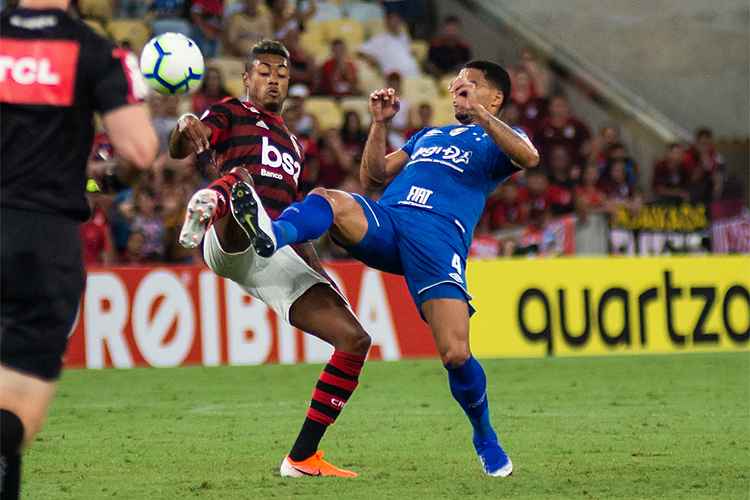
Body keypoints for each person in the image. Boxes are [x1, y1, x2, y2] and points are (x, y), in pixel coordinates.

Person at [237, 59, 540, 476]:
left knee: (455, 353)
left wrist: (483, 116)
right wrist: (379, 124)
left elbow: (529, 157)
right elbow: (373, 176)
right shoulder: (429, 135)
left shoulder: (496, 139)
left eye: (467, 85)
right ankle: (272, 234)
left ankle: (484, 435)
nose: (456, 92)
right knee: (330, 198)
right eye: (454, 86)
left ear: (495, 96)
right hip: (390, 220)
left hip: (438, 240)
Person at [169, 40, 371, 478]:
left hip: (272, 251)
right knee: (242, 183)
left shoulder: (294, 146)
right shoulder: (228, 112)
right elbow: (180, 149)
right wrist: (185, 124)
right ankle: (209, 204)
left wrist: (321, 275)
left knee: (355, 340)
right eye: (264, 71)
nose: (273, 78)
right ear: (247, 78)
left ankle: (301, 458)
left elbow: (295, 221)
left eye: (281, 72)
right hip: (228, 241)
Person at [0, 1, 158, 497]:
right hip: (41, 245)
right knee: (11, 419)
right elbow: (138, 152)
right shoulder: (97, 53)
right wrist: (106, 176)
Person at [357, 11, 419, 77]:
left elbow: (407, 52)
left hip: (414, 74)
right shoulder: (380, 39)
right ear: (387, 24)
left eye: (397, 21)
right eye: (393, 21)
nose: (395, 24)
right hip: (396, 78)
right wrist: (371, 58)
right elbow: (360, 51)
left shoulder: (404, 36)